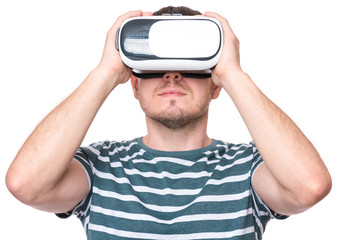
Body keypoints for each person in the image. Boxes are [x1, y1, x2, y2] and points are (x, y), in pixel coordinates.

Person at [6, 6, 332, 240]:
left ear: (215, 84)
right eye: (155, 66)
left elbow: (309, 187)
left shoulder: (250, 166)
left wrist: (234, 73)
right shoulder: (100, 165)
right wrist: (105, 72)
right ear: (134, 85)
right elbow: (26, 185)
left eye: (189, 65)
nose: (172, 74)